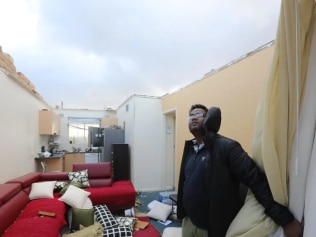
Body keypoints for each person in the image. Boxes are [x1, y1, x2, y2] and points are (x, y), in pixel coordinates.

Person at [177, 104, 303, 237]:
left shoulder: (228, 147)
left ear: (208, 118)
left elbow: (257, 180)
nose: (194, 118)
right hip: (188, 223)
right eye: (191, 116)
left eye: (199, 115)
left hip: (210, 228)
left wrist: (285, 220)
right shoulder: (190, 150)